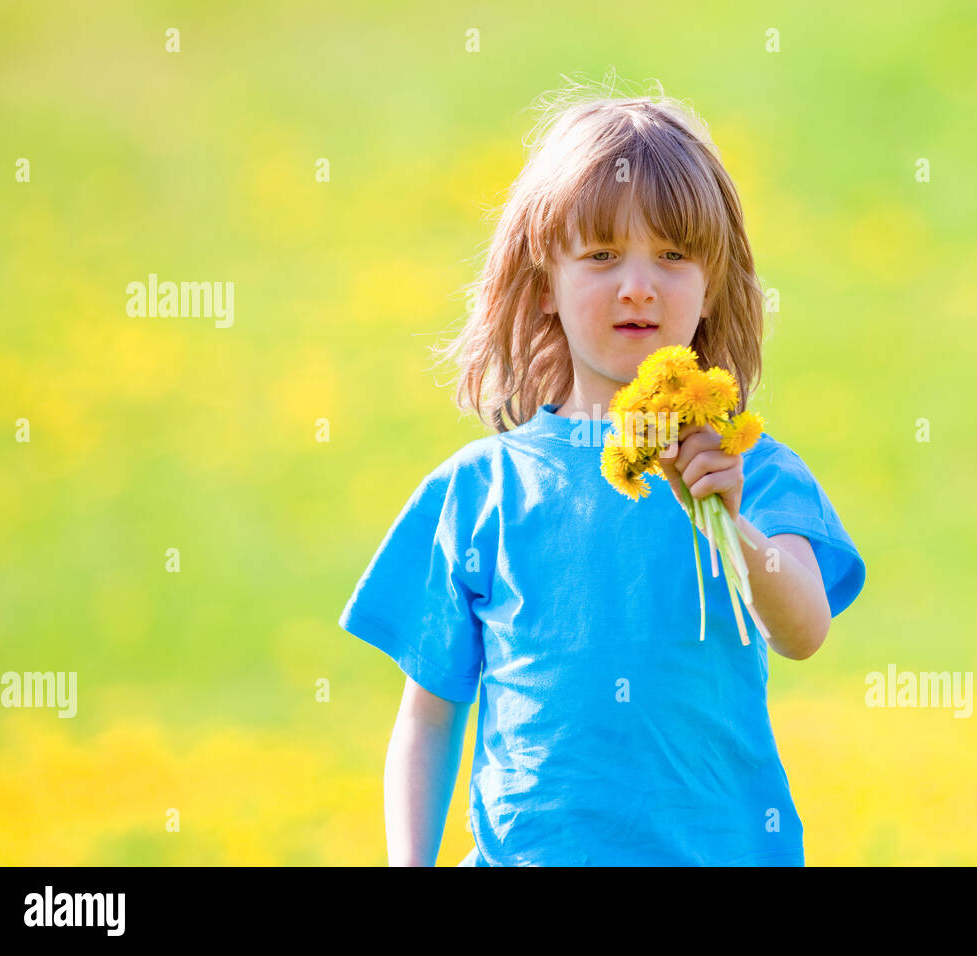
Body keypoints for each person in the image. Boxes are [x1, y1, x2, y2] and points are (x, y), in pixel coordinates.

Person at [338, 80, 866, 866]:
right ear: (542, 283)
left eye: (674, 256)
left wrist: (729, 520)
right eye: (602, 256)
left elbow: (804, 630)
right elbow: (427, 717)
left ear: (712, 284)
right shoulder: (480, 493)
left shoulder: (748, 468)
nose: (639, 285)